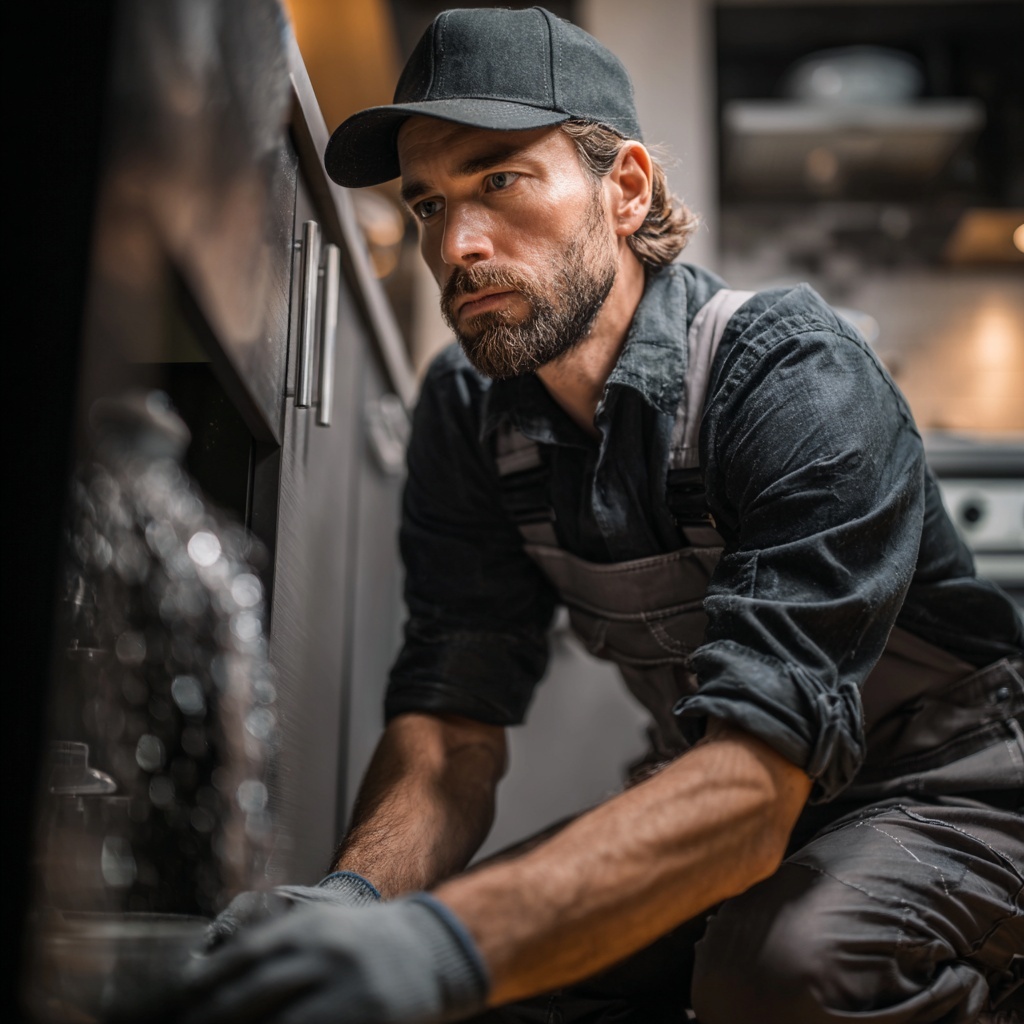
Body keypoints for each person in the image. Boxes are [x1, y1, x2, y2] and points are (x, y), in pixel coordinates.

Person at [173, 7, 1024, 1024]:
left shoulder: (793, 377)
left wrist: (445, 946)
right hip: (726, 783)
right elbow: (452, 725)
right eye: (429, 203)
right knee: (486, 980)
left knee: (786, 972)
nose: (456, 245)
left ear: (625, 190)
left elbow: (755, 787)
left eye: (499, 181)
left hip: (947, 786)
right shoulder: (469, 414)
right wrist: (357, 898)